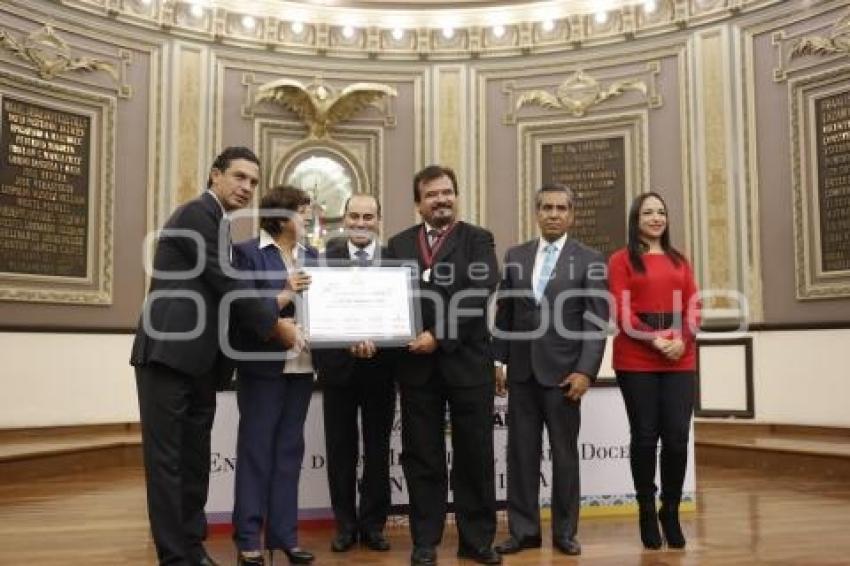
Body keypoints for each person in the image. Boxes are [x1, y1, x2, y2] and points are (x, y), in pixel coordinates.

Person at [131, 147, 302, 566]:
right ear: (215, 176)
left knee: (193, 461)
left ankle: (192, 546)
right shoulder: (196, 215)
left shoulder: (221, 226)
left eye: (253, 182)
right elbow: (225, 282)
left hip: (203, 361)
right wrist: (274, 323)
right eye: (239, 177)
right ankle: (175, 557)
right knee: (168, 462)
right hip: (169, 354)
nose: (246, 188)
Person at [385, 165, 501, 566]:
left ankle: (477, 541)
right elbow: (389, 300)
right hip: (415, 367)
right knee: (422, 457)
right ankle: (425, 541)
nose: (441, 199)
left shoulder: (478, 239)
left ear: (456, 196)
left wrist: (437, 334)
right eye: (432, 194)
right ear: (418, 204)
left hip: (468, 364)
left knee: (475, 455)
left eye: (448, 192)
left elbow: (478, 293)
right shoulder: (397, 245)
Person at [492, 184, 609, 557]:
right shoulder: (516, 256)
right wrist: (499, 360)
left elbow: (594, 320)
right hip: (522, 374)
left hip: (564, 376)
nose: (554, 214)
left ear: (571, 215)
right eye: (547, 207)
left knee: (564, 456)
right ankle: (524, 532)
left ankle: (564, 533)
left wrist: (586, 372)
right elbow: (505, 314)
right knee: (521, 456)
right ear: (536, 212)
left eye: (561, 208)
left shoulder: (589, 258)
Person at [230, 185, 318, 566]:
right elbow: (242, 310)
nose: (310, 219)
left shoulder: (313, 256)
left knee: (288, 453)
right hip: (262, 367)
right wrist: (284, 293)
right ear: (282, 218)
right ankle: (249, 540)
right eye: (304, 212)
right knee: (256, 452)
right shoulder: (247, 253)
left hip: (302, 368)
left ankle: (285, 537)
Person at [607, 192, 700, 550]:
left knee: (676, 437)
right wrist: (653, 339)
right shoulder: (621, 260)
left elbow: (694, 305)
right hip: (637, 357)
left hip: (680, 355)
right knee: (645, 436)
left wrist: (683, 339)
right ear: (636, 219)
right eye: (648, 212)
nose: (656, 218)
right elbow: (621, 310)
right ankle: (646, 508)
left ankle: (670, 510)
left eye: (661, 211)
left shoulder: (680, 260)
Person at [312, 194, 396, 553]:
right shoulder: (323, 261)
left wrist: (382, 340)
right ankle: (345, 525)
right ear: (343, 219)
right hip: (337, 370)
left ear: (378, 219)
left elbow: (404, 311)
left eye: (368, 216)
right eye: (354, 216)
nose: (361, 222)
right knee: (340, 449)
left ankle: (374, 525)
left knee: (378, 450)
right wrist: (342, 343)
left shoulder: (395, 260)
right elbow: (316, 314)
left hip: (381, 369)